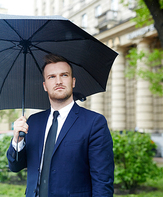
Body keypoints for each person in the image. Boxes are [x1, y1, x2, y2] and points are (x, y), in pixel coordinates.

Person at [6, 53, 114, 197]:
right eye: (51, 77)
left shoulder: (94, 123)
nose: (58, 81)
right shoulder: (33, 122)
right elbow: (15, 166)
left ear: (73, 81)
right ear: (45, 86)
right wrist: (17, 141)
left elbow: (102, 181)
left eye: (64, 75)